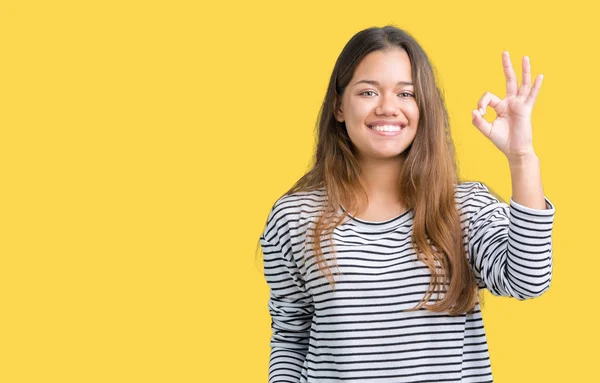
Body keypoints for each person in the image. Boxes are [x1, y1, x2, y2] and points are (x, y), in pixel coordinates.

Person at [258, 25, 555, 383]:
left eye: (406, 94)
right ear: (339, 105)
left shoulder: (464, 207)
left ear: (423, 107)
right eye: (368, 91)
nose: (387, 107)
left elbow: (527, 279)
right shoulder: (294, 218)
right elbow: (290, 338)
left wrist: (522, 157)